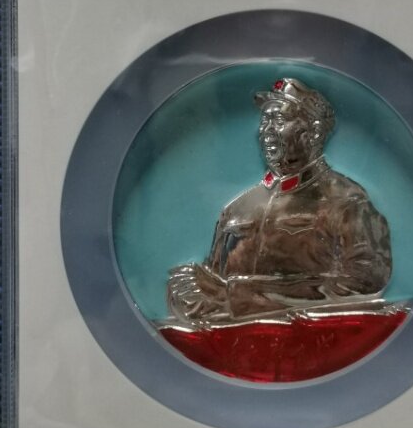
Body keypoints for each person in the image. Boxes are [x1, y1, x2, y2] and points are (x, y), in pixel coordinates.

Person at [167, 78, 391, 324]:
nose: (267, 130)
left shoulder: (346, 201)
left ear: (314, 131)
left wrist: (237, 295)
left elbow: (365, 283)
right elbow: (215, 288)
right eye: (265, 120)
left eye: (280, 120)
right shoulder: (237, 209)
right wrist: (193, 294)